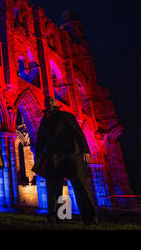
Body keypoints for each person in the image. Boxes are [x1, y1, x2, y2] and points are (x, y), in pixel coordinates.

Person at [35, 96, 98, 225]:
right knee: (54, 187)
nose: (48, 103)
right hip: (53, 156)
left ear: (56, 103)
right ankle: (56, 217)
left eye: (50, 101)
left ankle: (90, 219)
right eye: (46, 101)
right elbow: (40, 140)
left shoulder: (66, 116)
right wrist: (39, 157)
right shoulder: (44, 120)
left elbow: (78, 132)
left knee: (80, 186)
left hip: (72, 154)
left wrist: (85, 150)